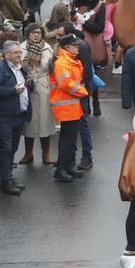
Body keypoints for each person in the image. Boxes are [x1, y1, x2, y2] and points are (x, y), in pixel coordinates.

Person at [0, 40, 32, 195]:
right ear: (7, 55)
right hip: (5, 116)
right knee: (5, 148)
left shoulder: (21, 69)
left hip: (19, 115)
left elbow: (25, 87)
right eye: (16, 52)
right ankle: (6, 182)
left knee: (13, 148)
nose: (20, 55)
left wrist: (29, 84)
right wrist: (13, 90)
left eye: (20, 52)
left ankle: (9, 177)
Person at [49, 34, 89, 183]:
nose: (77, 47)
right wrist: (83, 91)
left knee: (70, 140)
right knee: (67, 140)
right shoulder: (62, 63)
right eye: (75, 45)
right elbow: (66, 84)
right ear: (67, 47)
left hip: (71, 106)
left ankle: (68, 166)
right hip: (66, 107)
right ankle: (61, 169)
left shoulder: (70, 61)